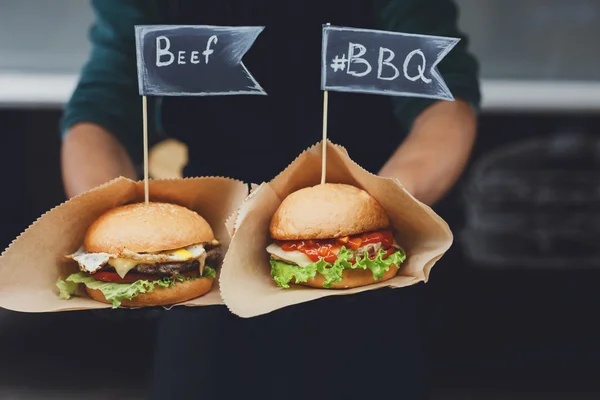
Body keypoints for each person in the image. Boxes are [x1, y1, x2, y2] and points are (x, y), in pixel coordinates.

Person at [60, 1, 480, 399]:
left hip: (369, 271)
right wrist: (120, 241)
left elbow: (444, 101)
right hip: (213, 274)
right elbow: (102, 108)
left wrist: (372, 215)